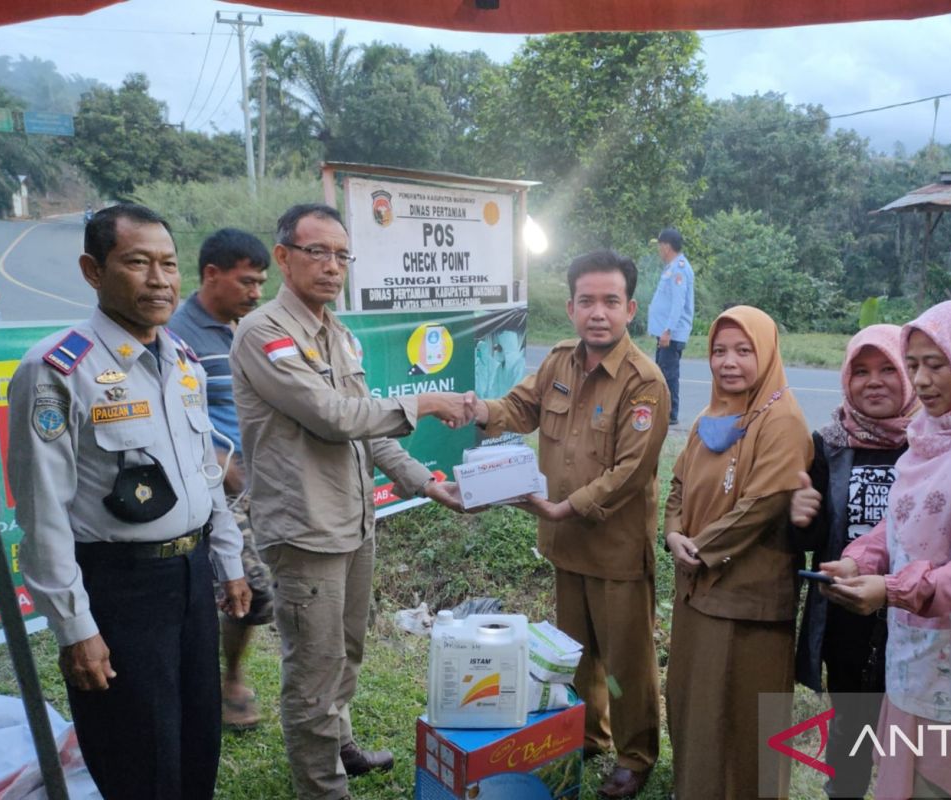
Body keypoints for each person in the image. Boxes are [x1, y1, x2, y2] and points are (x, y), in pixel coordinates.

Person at [7, 203, 251, 800]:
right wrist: (74, 628)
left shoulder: (183, 363)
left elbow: (204, 470)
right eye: (137, 263)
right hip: (119, 587)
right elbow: (41, 514)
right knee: (138, 753)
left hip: (191, 578)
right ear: (94, 271)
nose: (160, 280)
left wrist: (229, 561)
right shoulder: (58, 369)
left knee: (197, 739)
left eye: (168, 264)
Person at [230, 203, 469, 800]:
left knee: (348, 651)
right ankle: (322, 789)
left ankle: (339, 744)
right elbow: (334, 417)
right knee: (312, 668)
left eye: (342, 255)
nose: (332, 266)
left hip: (353, 520)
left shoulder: (338, 334)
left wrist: (425, 482)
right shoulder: (264, 332)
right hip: (303, 528)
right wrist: (427, 401)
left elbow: (371, 430)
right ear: (284, 257)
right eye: (318, 252)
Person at [465, 249, 669, 798]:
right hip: (563, 542)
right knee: (576, 652)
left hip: (615, 548)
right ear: (570, 307)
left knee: (626, 659)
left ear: (630, 309)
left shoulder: (643, 381)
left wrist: (566, 506)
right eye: (586, 301)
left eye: (610, 301)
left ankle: (635, 754)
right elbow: (519, 407)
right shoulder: (559, 361)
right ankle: (589, 735)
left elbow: (631, 470)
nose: (597, 313)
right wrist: (479, 410)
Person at [821, 299, 951, 799]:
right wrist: (859, 559)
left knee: (943, 786)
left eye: (937, 365)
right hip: (913, 657)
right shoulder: (930, 435)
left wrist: (894, 590)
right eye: (913, 365)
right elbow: (894, 523)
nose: (923, 380)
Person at [663, 306, 812, 799]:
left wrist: (698, 549)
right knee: (695, 708)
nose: (729, 362)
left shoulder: (782, 420)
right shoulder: (713, 414)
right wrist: (672, 533)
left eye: (744, 351)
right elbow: (680, 484)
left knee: (743, 722)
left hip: (747, 603)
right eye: (720, 351)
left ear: (766, 353)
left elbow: (762, 506)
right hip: (697, 591)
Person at [791, 323, 919, 799]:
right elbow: (812, 540)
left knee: (908, 736)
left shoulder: (931, 444)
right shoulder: (829, 443)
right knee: (850, 725)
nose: (874, 381)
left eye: (890, 368)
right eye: (861, 370)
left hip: (916, 616)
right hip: (846, 617)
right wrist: (800, 518)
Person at [168, 227, 273, 730]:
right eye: (247, 282)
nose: (256, 293)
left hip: (263, 484)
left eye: (260, 284)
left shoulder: (248, 327)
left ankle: (227, 676)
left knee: (245, 594)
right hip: (216, 491)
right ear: (211, 275)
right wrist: (217, 462)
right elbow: (166, 415)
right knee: (245, 589)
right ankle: (218, 683)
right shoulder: (174, 333)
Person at [646, 227, 694, 425]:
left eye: (659, 246)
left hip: (671, 334)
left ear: (666, 246)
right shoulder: (672, 267)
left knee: (668, 373)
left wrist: (668, 330)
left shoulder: (679, 268)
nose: (659, 250)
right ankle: (662, 409)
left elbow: (678, 302)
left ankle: (670, 413)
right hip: (665, 332)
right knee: (661, 371)